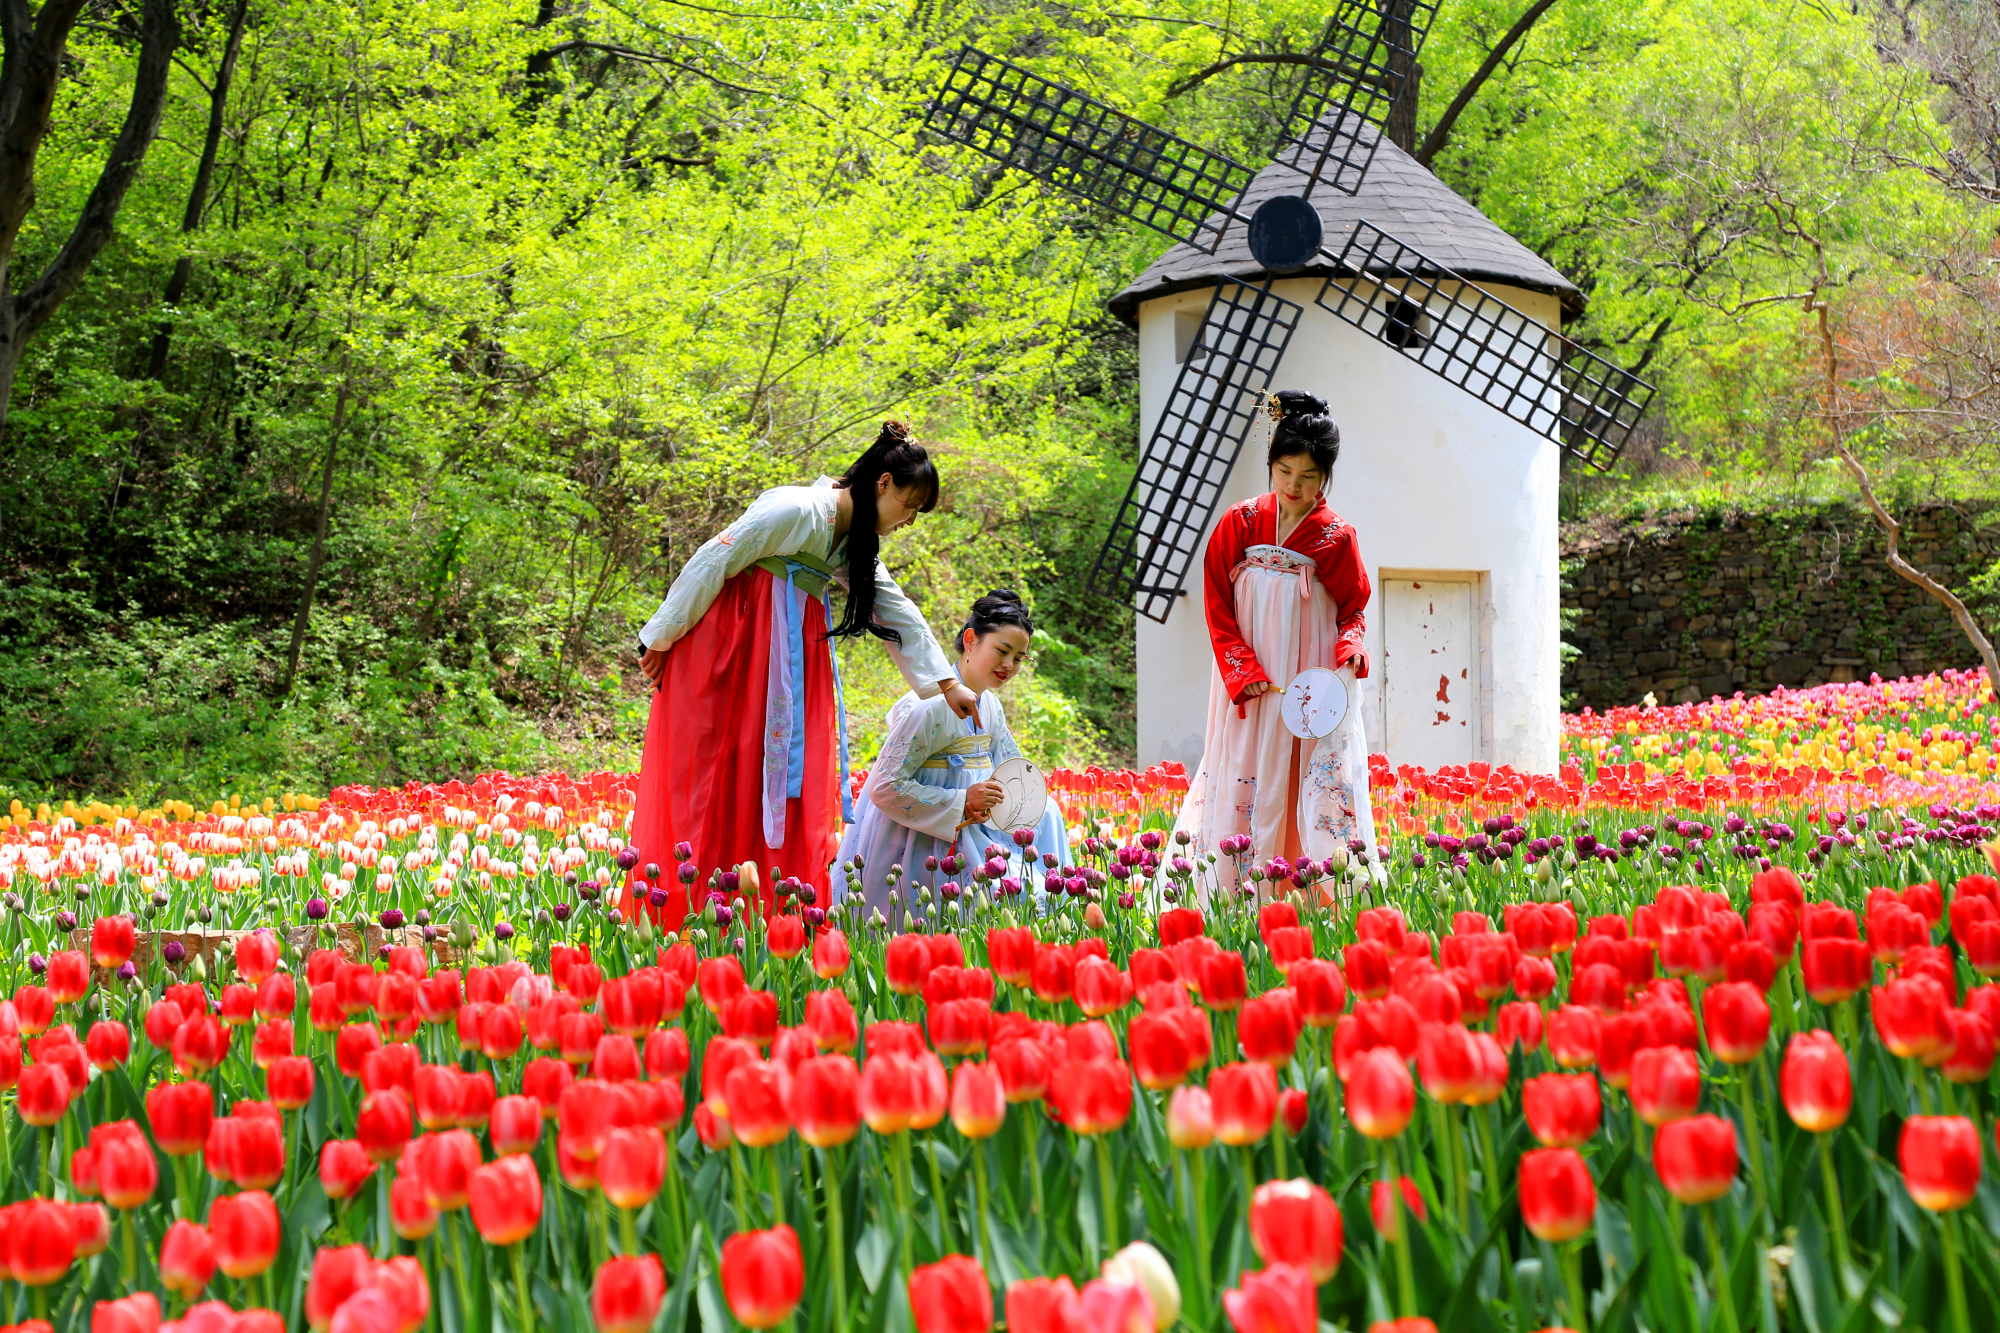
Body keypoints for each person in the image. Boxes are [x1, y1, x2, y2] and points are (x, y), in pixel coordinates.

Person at [628, 422, 979, 927]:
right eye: (910, 505)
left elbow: (895, 609)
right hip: (734, 648)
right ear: (883, 484)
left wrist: (949, 685)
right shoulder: (797, 509)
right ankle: (688, 913)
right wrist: (660, 637)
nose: (909, 520)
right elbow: (715, 557)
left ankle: (764, 916)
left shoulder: (851, 541)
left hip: (787, 665)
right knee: (718, 773)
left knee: (772, 780)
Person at [1174, 390, 1380, 885]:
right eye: (1285, 471)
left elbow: (1353, 608)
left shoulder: (1336, 536)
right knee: (1245, 766)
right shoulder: (1240, 522)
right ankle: (1236, 889)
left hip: (1307, 682)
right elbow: (1217, 602)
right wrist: (1241, 668)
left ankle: (1307, 891)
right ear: (1271, 462)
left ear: (1325, 477)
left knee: (1303, 774)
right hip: (1251, 681)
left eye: (1308, 477)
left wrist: (1350, 649)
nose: (1294, 485)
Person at [833, 589, 1071, 916]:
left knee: (1050, 813)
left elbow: (1008, 770)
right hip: (918, 840)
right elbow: (883, 786)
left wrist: (994, 798)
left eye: (1018, 658)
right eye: (1002, 651)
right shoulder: (930, 706)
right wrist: (963, 801)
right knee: (996, 902)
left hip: (971, 825)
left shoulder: (991, 706)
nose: (1008, 665)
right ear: (971, 639)